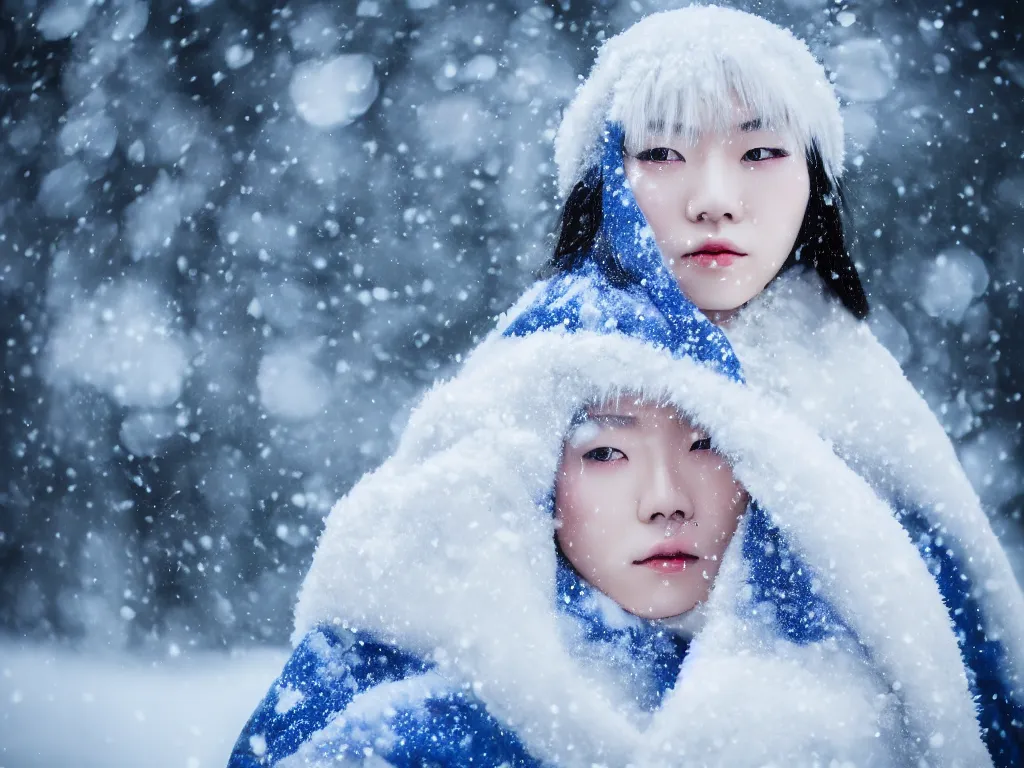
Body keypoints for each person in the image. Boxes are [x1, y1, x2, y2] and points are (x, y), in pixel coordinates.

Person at [228, 5, 1023, 766]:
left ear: (814, 178)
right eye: (664, 153)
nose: (714, 198)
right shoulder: (521, 396)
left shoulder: (870, 432)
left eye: (760, 152)